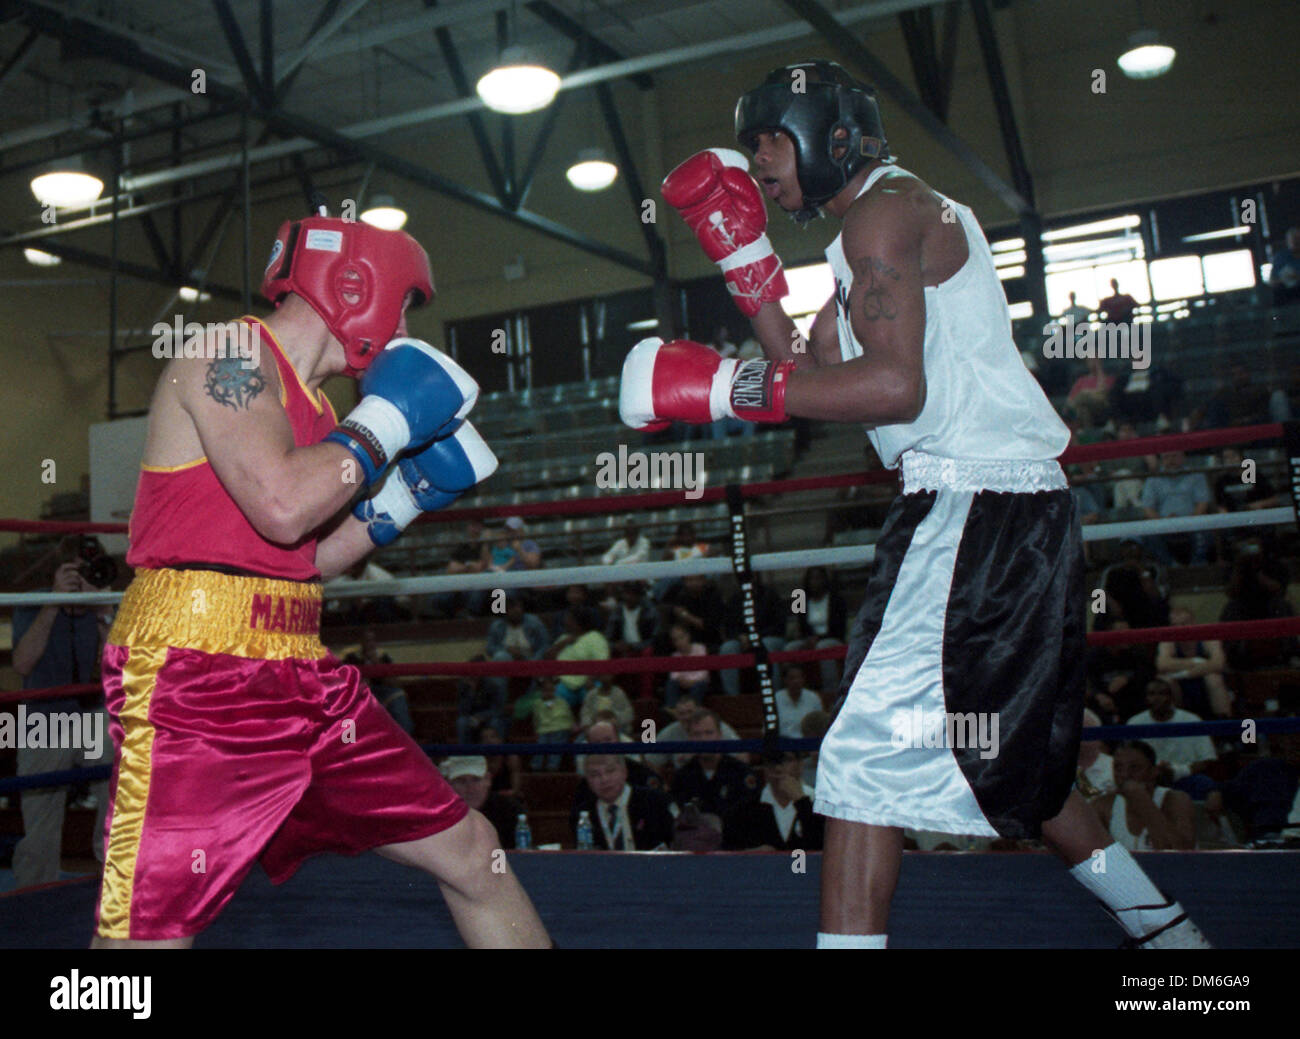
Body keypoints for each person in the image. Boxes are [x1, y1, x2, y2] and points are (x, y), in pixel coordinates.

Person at [625, 61, 1209, 948]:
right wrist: (746, 266)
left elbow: (892, 387)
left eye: (771, 140)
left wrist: (714, 389)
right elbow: (816, 367)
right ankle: (1171, 941)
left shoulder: (885, 213)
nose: (762, 163)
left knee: (859, 761)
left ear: (830, 133)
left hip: (979, 502)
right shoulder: (867, 239)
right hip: (985, 506)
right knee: (1016, 764)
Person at [94, 213, 548, 948]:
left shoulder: (320, 412)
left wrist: (402, 500)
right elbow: (280, 506)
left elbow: (303, 556)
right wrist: (385, 426)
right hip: (195, 678)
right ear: (356, 285)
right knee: (143, 937)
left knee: (473, 851)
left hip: (301, 669)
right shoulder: (230, 353)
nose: (403, 328)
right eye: (404, 305)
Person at [10, 538, 113, 888]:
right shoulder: (36, 601)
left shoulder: (99, 604)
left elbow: (122, 668)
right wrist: (54, 602)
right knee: (40, 817)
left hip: (91, 713)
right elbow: (22, 662)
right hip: (44, 718)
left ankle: (113, 880)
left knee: (118, 788)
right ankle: (32, 895)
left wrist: (102, 613)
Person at [1090, 742, 1195, 851]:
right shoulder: (1102, 805)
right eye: (1118, 768)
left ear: (1153, 771)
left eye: (1134, 768)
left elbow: (1181, 852)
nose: (1125, 774)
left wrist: (1142, 801)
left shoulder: (1176, 800)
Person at [1125, 678, 1218, 796]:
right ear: (1146, 698)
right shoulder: (1134, 723)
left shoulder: (1192, 720)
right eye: (1152, 694)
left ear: (1171, 697)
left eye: (1162, 694)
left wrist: (1177, 772)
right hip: (1148, 781)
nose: (1157, 698)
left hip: (1185, 779)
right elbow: (1127, 761)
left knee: (1205, 784)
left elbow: (1207, 759)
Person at [723, 752, 824, 851]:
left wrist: (802, 802)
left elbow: (823, 845)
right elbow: (729, 852)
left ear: (800, 764)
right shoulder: (745, 808)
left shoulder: (820, 803)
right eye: (772, 761)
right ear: (764, 767)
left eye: (786, 760)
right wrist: (752, 854)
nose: (778, 768)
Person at [572, 755, 674, 851]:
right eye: (595, 775)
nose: (604, 780)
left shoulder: (654, 801)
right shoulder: (582, 813)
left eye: (610, 771)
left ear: (624, 772)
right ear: (587, 781)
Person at [669, 710, 759, 818]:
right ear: (690, 738)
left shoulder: (741, 772)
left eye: (709, 733)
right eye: (697, 734)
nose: (703, 739)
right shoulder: (682, 776)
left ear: (720, 735)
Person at [1155, 605, 1232, 719]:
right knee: (1167, 681)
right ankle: (1178, 722)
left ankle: (1224, 724)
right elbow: (1162, 665)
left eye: (1184, 624)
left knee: (1214, 679)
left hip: (1196, 679)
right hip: (1180, 683)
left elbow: (1218, 663)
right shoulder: (1168, 641)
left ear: (1193, 623)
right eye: (1175, 625)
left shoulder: (1207, 636)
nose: (1180, 629)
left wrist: (1185, 674)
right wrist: (1198, 662)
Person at [1139, 450, 1212, 565]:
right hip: (1163, 524)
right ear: (1161, 459)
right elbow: (1148, 508)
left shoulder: (1196, 475)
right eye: (1166, 457)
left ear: (1183, 457)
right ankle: (1171, 567)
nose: (1171, 460)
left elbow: (1202, 503)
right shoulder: (1153, 479)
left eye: (1174, 456)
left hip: (1192, 522)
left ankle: (1196, 567)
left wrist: (1190, 521)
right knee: (1149, 535)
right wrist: (1162, 522)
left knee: (1205, 531)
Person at [441, 756, 524, 850]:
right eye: (461, 781)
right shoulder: (438, 813)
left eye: (476, 780)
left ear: (488, 780)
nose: (470, 789)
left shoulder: (509, 809)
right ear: (448, 783)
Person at [343, 627, 413, 735]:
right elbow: (345, 683)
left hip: (382, 692)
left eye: (372, 640)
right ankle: (350, 744)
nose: (370, 644)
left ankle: (403, 739)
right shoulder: (351, 657)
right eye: (367, 641)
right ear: (360, 642)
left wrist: (377, 664)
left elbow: (396, 683)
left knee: (398, 695)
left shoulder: (382, 656)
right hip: (359, 693)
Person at [530, 677, 575, 772]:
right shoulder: (537, 703)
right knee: (540, 745)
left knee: (556, 745)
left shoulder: (562, 702)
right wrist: (536, 731)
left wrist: (571, 726)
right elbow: (536, 719)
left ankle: (552, 767)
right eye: (545, 690)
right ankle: (536, 767)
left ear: (554, 690)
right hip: (544, 730)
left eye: (551, 690)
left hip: (560, 729)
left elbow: (568, 716)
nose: (548, 693)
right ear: (541, 690)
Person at [664, 621, 711, 707]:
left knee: (699, 686)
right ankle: (672, 709)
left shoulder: (700, 648)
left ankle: (693, 710)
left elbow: (704, 673)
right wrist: (682, 680)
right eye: (675, 640)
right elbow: (674, 675)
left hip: (699, 682)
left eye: (681, 637)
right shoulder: (675, 655)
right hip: (682, 683)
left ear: (688, 636)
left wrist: (692, 682)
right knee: (671, 684)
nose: (679, 642)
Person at [774, 664, 822, 739]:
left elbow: (820, 726)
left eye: (799, 678)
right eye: (792, 678)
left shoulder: (813, 698)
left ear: (803, 679)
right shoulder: (776, 698)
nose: (796, 681)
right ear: (785, 680)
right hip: (783, 744)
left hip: (808, 743)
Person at [1267, 227, 1300, 307]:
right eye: (1292, 239)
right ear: (1287, 241)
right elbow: (1272, 281)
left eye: (1297, 239)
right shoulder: (1280, 257)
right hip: (1285, 293)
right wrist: (1285, 279)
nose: (1295, 242)